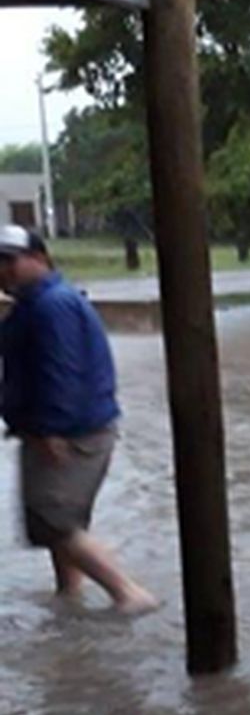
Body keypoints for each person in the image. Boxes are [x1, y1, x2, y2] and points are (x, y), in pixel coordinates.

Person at [0, 225, 157, 614]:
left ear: (39, 259)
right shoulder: (34, 304)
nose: (2, 270)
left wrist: (52, 429)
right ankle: (69, 595)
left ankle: (129, 595)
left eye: (9, 261)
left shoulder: (52, 306)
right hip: (65, 428)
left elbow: (62, 371)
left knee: (51, 521)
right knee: (62, 520)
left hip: (69, 432)